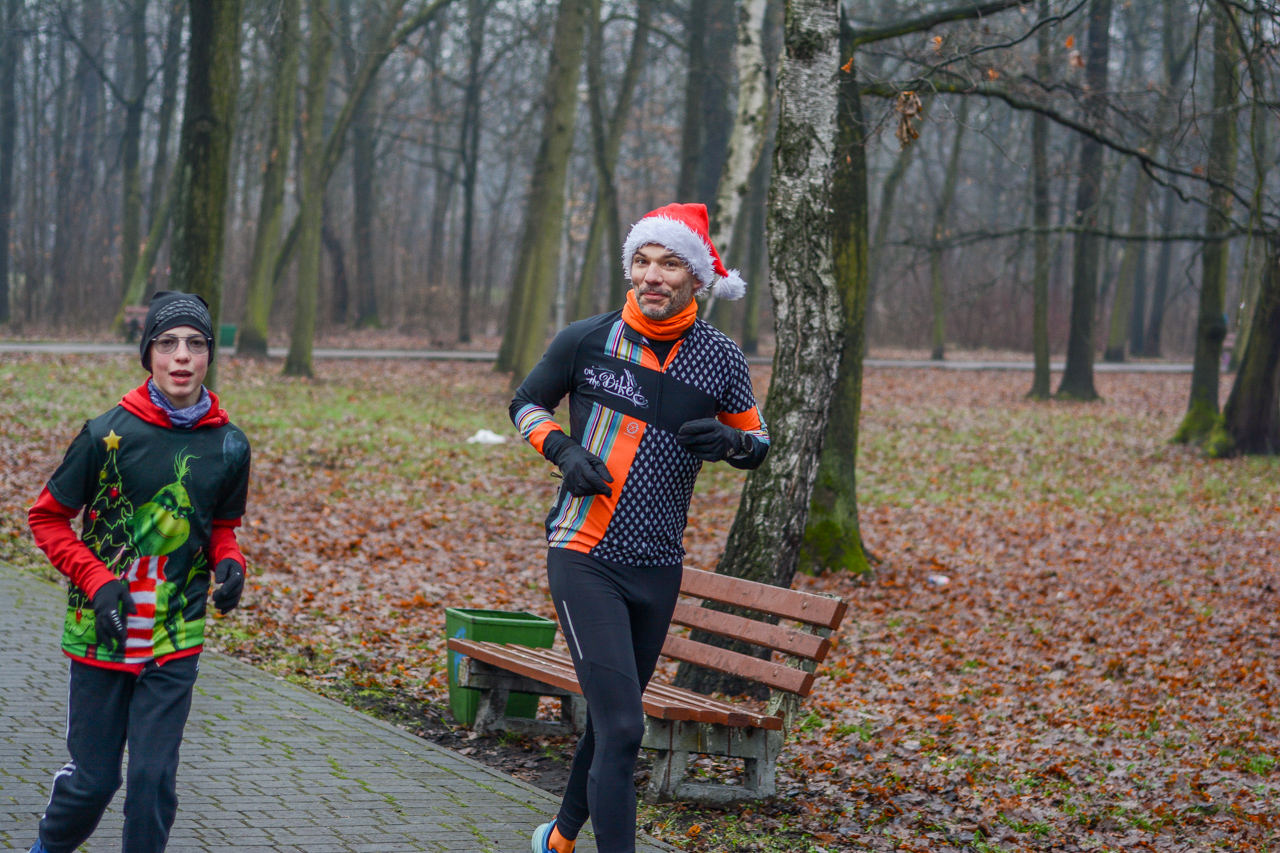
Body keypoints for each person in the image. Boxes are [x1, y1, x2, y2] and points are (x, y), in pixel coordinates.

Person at [510, 203, 770, 853]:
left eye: (669, 263)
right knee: (626, 726)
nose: (652, 275)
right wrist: (563, 451)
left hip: (658, 566)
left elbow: (758, 442)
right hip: (585, 550)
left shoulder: (720, 359)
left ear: (697, 278)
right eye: (642, 261)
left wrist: (730, 443)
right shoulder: (586, 339)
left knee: (612, 723)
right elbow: (526, 403)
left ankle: (558, 837)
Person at [25, 292, 251, 853]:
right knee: (94, 782)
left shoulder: (229, 445)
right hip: (101, 632)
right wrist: (98, 581)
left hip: (174, 636)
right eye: (167, 343)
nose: (182, 356)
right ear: (148, 354)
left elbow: (221, 525)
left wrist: (230, 560)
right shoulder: (106, 434)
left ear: (209, 355)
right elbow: (47, 518)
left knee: (151, 782)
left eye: (195, 343)